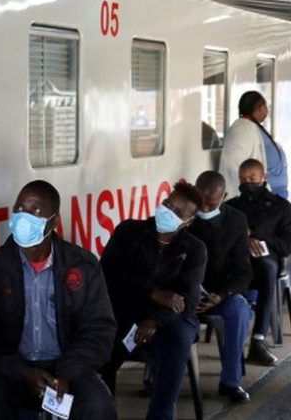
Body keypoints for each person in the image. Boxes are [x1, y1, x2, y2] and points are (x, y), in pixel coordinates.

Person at [0, 180, 117, 420]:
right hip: (10, 369)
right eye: (19, 210)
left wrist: (66, 373)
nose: (24, 218)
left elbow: (99, 329)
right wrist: (21, 371)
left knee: (98, 405)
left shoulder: (82, 265)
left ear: (53, 222)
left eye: (35, 212)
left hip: (67, 368)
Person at [100, 181, 207, 420]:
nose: (168, 211)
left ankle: (161, 414)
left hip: (171, 319)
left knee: (178, 338)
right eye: (167, 204)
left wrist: (155, 320)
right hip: (127, 310)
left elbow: (187, 299)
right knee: (103, 337)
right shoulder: (129, 231)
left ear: (188, 221)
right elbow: (107, 276)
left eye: (177, 212)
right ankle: (103, 409)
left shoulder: (194, 249)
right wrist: (152, 293)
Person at [188, 171, 252, 403]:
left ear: (223, 197)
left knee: (239, 310)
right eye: (201, 201)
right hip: (184, 292)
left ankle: (230, 382)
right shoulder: (183, 214)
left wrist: (222, 295)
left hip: (219, 292)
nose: (204, 208)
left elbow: (243, 270)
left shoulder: (236, 220)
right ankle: (158, 377)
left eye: (211, 203)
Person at [226, 158, 291, 365]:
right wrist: (243, 239)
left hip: (265, 266)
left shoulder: (280, 207)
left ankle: (258, 340)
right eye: (243, 179)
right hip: (236, 263)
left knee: (268, 268)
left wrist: (260, 237)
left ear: (264, 178)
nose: (248, 183)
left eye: (252, 178)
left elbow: (286, 246)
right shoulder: (231, 207)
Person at [220, 91, 288, 199]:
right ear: (260, 108)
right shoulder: (242, 129)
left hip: (267, 196)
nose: (267, 111)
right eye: (266, 107)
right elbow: (234, 167)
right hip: (249, 198)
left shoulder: (251, 126)